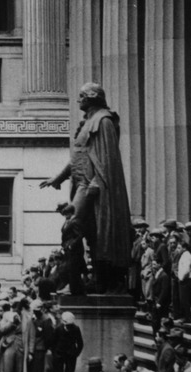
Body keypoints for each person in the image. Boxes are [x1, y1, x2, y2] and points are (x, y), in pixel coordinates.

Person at [41, 83, 133, 293]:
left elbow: (108, 160)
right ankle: (79, 282)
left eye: (82, 96)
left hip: (90, 185)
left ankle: (79, 281)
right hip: (79, 184)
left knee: (73, 227)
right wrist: (59, 177)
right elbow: (78, 157)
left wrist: (97, 184)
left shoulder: (104, 121)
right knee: (85, 232)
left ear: (93, 97)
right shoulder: (87, 122)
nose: (78, 100)